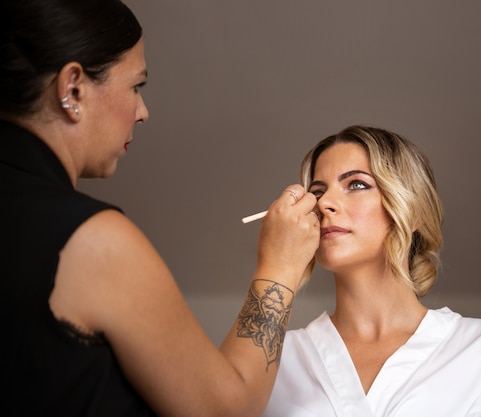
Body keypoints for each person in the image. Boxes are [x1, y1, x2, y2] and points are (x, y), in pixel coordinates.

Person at [0, 1, 320, 416]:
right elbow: (227, 411)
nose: (143, 112)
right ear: (73, 87)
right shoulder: (90, 241)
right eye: (136, 87)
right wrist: (279, 267)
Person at [263, 125, 481, 417]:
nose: (324, 203)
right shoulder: (272, 363)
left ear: (413, 211)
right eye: (317, 191)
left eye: (357, 184)